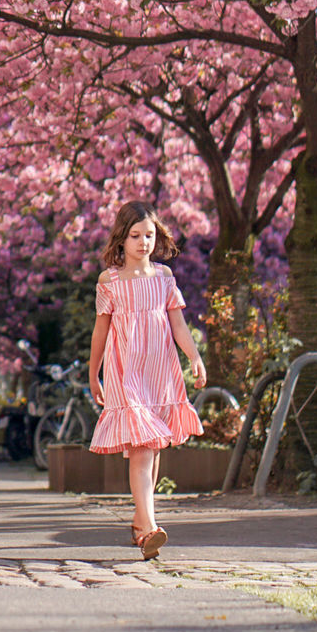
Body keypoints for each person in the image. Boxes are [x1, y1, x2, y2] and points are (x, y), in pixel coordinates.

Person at [88, 200, 206, 561]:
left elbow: (178, 325)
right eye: (135, 235)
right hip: (126, 372)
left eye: (149, 235)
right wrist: (94, 373)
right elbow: (101, 331)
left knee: (152, 449)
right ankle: (151, 528)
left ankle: (141, 524)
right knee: (141, 450)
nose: (143, 242)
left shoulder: (165, 277)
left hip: (160, 370)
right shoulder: (110, 281)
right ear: (121, 239)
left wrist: (194, 356)